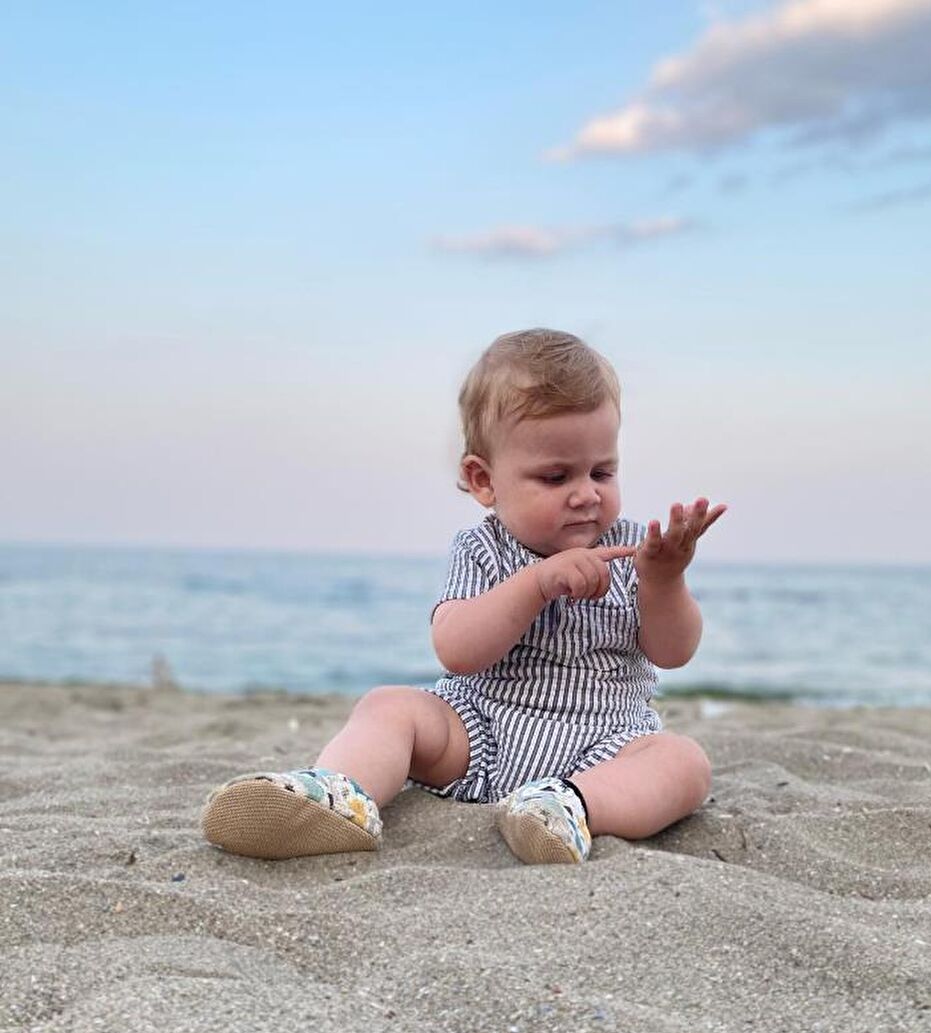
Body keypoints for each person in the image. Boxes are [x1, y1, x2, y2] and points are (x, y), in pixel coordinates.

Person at [201, 328, 726, 865]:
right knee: (390, 706)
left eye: (602, 472)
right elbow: (457, 649)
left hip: (604, 745)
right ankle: (341, 795)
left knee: (683, 762)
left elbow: (672, 651)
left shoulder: (634, 550)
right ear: (483, 480)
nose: (586, 493)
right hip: (481, 731)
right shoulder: (482, 549)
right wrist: (537, 584)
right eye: (555, 476)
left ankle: (570, 808)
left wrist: (665, 580)